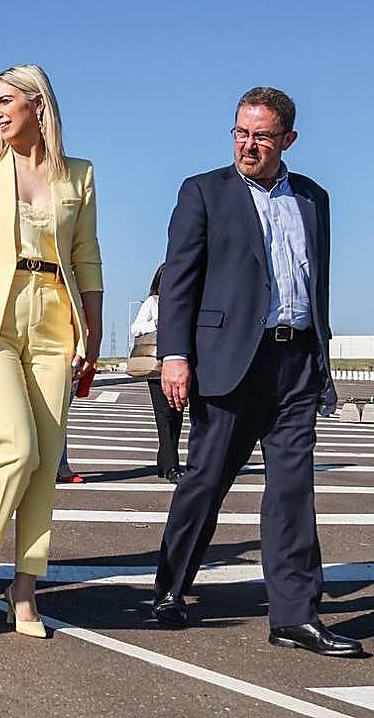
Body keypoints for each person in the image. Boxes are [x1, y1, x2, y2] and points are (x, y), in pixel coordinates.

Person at [152, 87, 361, 658]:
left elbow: (314, 283)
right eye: (241, 133)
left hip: (295, 363)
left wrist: (322, 357)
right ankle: (170, 586)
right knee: (206, 480)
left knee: (294, 491)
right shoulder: (204, 192)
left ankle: (295, 614)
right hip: (229, 361)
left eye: (262, 136)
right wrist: (176, 355)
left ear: (287, 140)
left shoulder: (313, 199)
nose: (248, 145)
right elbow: (180, 280)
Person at [0, 65, 103, 638]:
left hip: (56, 320)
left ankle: (24, 587)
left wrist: (95, 331)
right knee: (18, 445)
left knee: (46, 461)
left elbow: (87, 256)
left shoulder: (78, 175)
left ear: (38, 105)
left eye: (7, 102)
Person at [131, 263, 184, 482]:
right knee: (164, 416)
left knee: (176, 416)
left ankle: (164, 463)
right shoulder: (152, 303)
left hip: (178, 366)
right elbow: (136, 328)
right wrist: (160, 325)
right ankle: (172, 466)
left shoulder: (182, 303)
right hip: (156, 368)